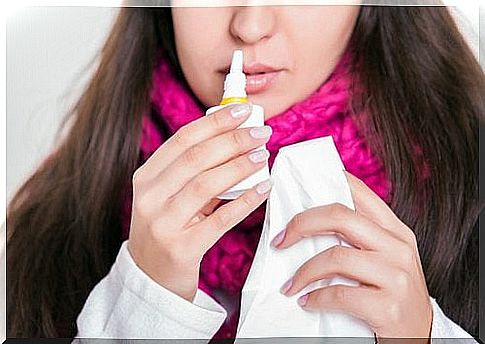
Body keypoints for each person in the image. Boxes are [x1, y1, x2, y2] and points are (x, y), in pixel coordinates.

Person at [6, 3, 482, 342]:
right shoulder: (62, 208)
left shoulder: (470, 181)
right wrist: (144, 307)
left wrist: (423, 336)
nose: (251, 25)